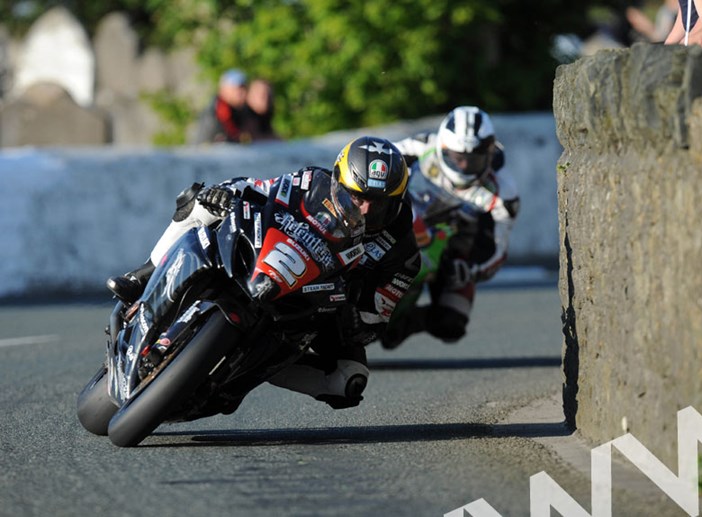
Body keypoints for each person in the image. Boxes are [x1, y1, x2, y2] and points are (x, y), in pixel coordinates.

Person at [106, 136, 420, 409]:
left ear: (398, 201)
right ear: (339, 181)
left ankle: (241, 380)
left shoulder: (403, 252)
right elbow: (258, 189)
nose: (365, 210)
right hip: (270, 262)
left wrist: (355, 317)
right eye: (358, 197)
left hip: (324, 309)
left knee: (349, 380)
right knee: (199, 201)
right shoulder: (311, 182)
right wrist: (224, 193)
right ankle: (145, 275)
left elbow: (377, 319)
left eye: (380, 204)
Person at [384, 106, 520, 347]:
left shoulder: (503, 193)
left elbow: (497, 250)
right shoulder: (419, 148)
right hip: (403, 224)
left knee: (451, 323)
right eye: (457, 157)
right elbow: (377, 161)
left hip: (449, 251)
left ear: (489, 154)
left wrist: (469, 268)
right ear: (442, 148)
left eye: (473, 159)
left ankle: (405, 322)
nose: (464, 166)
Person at [193, 68, 255, 144]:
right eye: (237, 88)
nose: (242, 92)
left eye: (244, 88)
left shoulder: (244, 111)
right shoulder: (213, 114)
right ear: (223, 89)